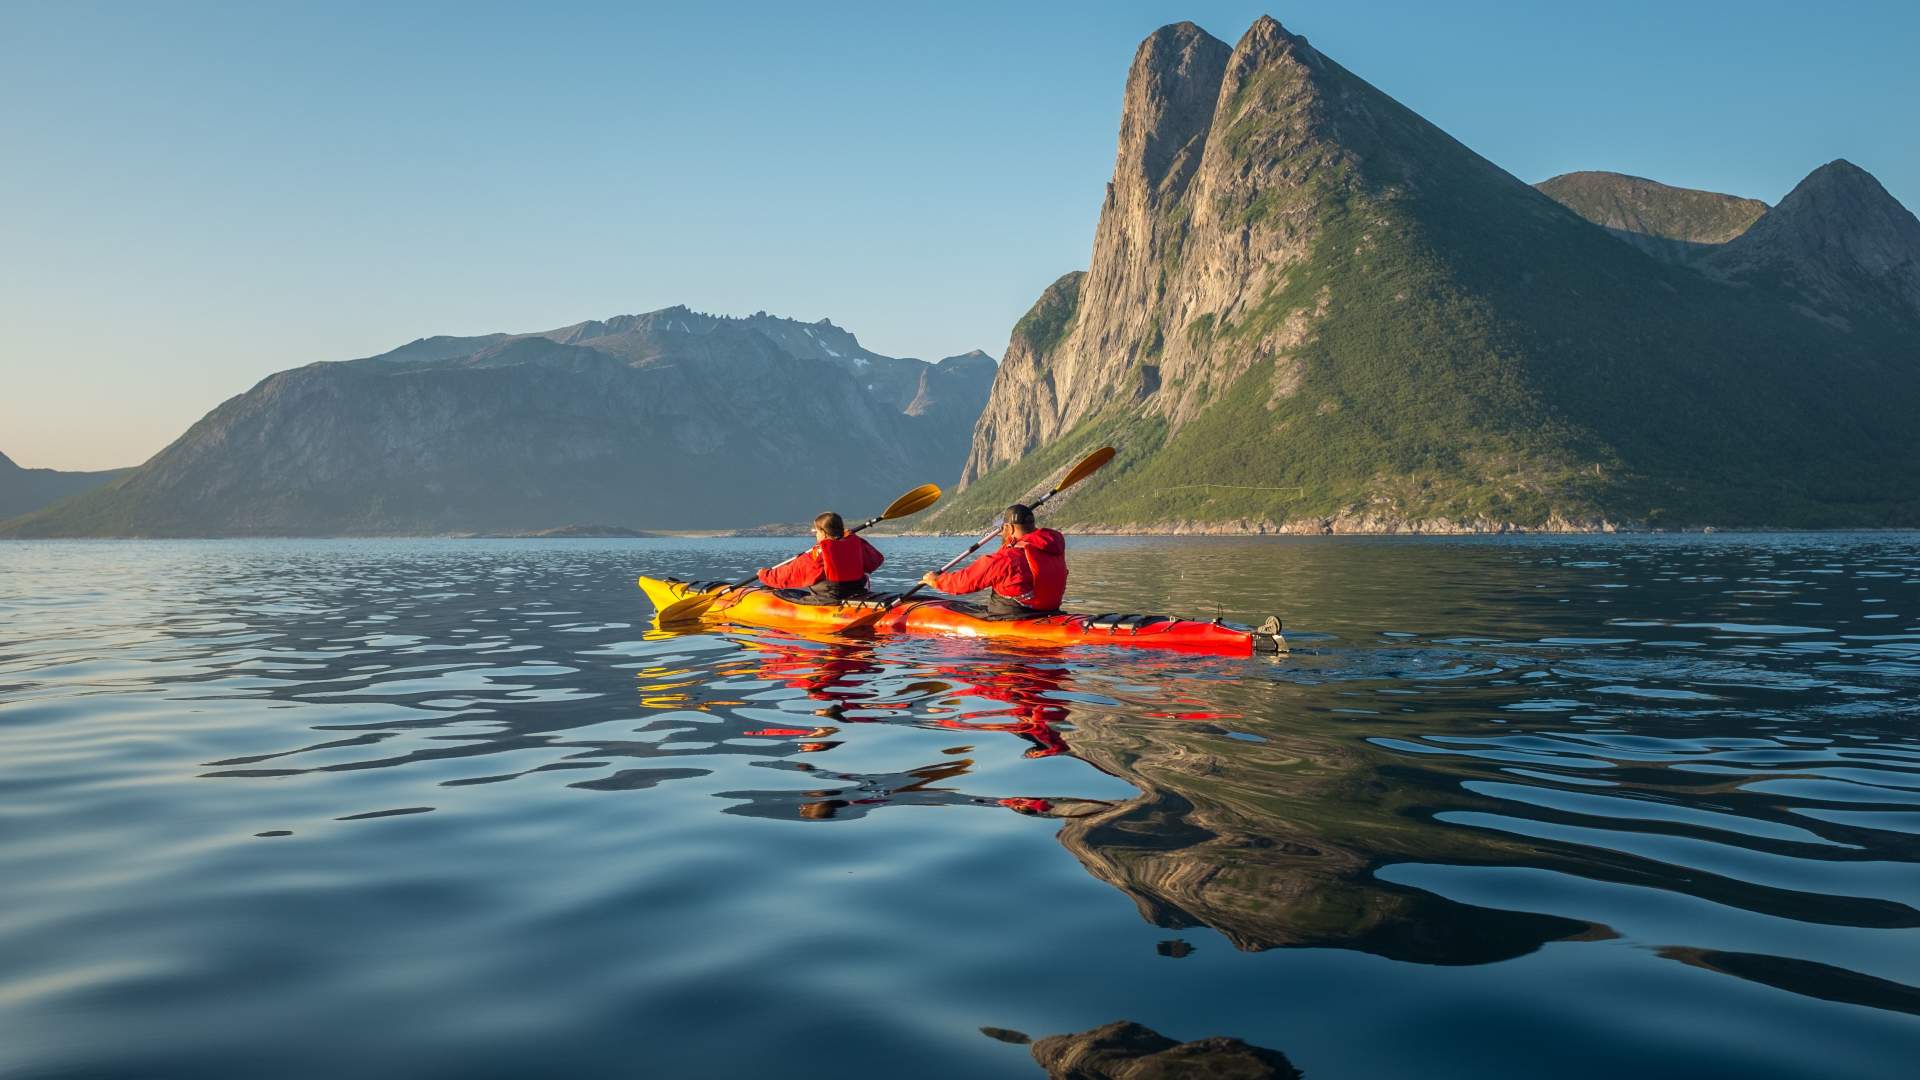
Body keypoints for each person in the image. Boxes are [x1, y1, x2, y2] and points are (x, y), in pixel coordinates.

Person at [918, 503, 1066, 617]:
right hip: (1049, 611)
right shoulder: (1052, 547)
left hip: (1014, 617)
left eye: (1003, 529)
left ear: (1009, 528)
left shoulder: (1006, 559)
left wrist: (936, 581)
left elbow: (963, 583)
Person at [757, 511, 884, 602]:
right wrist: (850, 537)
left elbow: (788, 574)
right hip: (856, 592)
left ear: (823, 532)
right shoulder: (856, 543)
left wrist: (765, 575)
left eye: (816, 531)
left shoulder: (816, 555)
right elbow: (876, 559)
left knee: (784, 592)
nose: (816, 534)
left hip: (830, 598)